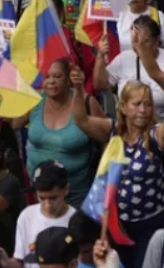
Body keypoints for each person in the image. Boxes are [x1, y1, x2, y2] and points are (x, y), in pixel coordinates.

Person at [71, 79, 164, 268]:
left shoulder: (154, 135)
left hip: (151, 225)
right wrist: (80, 88)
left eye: (147, 104)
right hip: (118, 225)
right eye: (136, 104)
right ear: (123, 107)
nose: (143, 110)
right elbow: (81, 120)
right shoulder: (113, 131)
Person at [19, 59, 105, 207]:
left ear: (68, 79)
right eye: (46, 77)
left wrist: (105, 180)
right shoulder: (34, 100)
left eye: (57, 76)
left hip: (77, 194)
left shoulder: (86, 103)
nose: (51, 81)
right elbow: (11, 122)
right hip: (40, 193)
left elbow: (106, 139)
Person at [95, 15, 164, 119]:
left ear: (156, 41)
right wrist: (100, 56)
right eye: (135, 41)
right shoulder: (123, 59)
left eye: (145, 41)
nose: (138, 46)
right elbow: (100, 85)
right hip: (127, 127)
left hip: (160, 127)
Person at [6, 162, 76, 265]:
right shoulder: (26, 216)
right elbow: (20, 260)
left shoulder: (76, 221)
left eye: (53, 198)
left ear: (66, 190)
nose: (47, 205)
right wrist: (4, 262)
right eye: (42, 198)